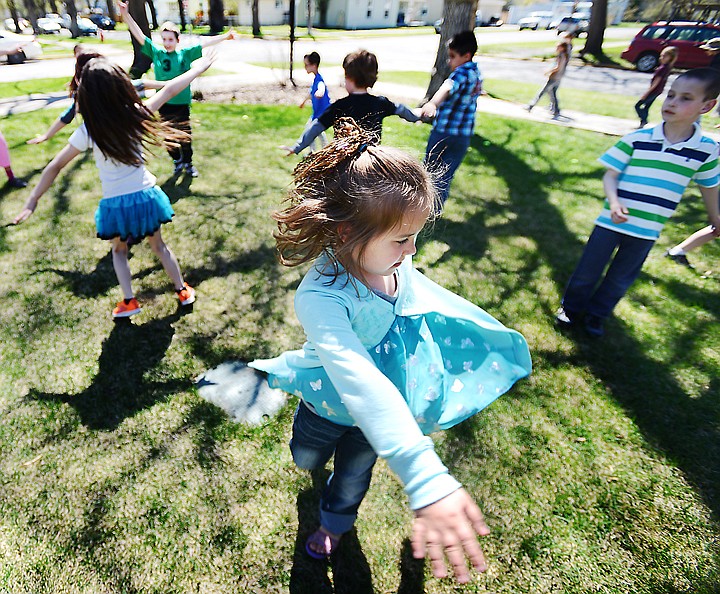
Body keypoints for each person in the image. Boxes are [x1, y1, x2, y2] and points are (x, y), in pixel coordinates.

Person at [251, 120, 531, 581]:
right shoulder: (321, 297)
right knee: (306, 455)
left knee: (353, 478)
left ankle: (334, 524)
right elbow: (357, 378)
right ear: (344, 233)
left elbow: (419, 301)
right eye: (402, 239)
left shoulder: (395, 261)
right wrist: (422, 471)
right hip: (325, 404)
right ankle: (312, 470)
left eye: (415, 235)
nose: (413, 249)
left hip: (378, 419)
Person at [13, 53, 217, 318]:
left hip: (116, 205)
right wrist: (198, 68)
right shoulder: (135, 114)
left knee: (119, 251)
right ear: (121, 85)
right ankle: (182, 291)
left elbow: (54, 166)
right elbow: (169, 89)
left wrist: (33, 200)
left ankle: (129, 302)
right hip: (146, 197)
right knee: (160, 246)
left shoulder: (88, 131)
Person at [556, 68, 720, 337]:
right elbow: (611, 175)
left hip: (647, 228)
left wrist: (715, 217)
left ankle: (597, 315)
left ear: (707, 106)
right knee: (588, 270)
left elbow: (709, 185)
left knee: (620, 278)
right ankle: (571, 309)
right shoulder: (638, 138)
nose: (672, 103)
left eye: (685, 98)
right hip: (611, 221)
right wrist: (614, 201)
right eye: (671, 95)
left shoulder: (706, 149)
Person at [119, 1, 234, 177]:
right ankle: (177, 160)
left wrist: (225, 37)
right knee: (168, 136)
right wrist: (125, 14)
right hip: (163, 103)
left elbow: (205, 43)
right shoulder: (157, 53)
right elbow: (138, 34)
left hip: (181, 103)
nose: (167, 43)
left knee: (185, 136)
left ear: (177, 40)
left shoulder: (185, 54)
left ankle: (188, 163)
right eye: (164, 39)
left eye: (170, 39)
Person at [282, 49, 421, 155]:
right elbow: (401, 109)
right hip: (372, 159)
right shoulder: (381, 103)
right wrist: (417, 117)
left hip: (345, 163)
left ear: (349, 78)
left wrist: (297, 147)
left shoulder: (339, 107)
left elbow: (316, 127)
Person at [27, 47, 165, 145]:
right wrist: (47, 135)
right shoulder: (83, 96)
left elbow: (141, 84)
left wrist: (167, 84)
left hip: (123, 135)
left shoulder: (113, 84)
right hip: (105, 140)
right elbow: (68, 116)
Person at [421, 30, 483, 207]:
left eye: (452, 56)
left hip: (444, 133)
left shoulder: (460, 73)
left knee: (430, 172)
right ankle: (436, 209)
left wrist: (433, 103)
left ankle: (425, 209)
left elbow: (448, 87)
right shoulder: (477, 72)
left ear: (466, 55)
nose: (449, 61)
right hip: (463, 136)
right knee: (446, 175)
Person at [525, 39, 570, 119]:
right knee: (553, 93)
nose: (556, 48)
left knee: (542, 92)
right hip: (558, 77)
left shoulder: (561, 56)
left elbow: (557, 67)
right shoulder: (564, 55)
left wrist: (547, 71)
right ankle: (556, 110)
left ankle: (530, 106)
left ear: (562, 48)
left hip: (554, 77)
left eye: (558, 46)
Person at [634, 46, 678, 128]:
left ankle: (644, 120)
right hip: (658, 91)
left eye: (664, 56)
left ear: (670, 58)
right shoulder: (667, 68)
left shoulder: (662, 69)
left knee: (638, 105)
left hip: (654, 90)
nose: (661, 58)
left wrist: (647, 92)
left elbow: (656, 82)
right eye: (662, 55)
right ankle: (642, 122)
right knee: (646, 107)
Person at [298, 51, 331, 153]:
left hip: (322, 114)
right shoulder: (315, 79)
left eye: (306, 65)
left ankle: (316, 152)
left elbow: (321, 86)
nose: (305, 67)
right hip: (316, 114)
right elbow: (311, 93)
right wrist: (303, 102)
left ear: (314, 65)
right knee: (314, 131)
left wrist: (320, 92)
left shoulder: (319, 80)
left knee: (311, 131)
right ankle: (321, 151)